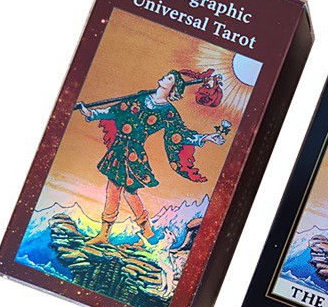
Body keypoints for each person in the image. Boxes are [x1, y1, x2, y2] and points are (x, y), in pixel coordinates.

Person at [78, 71, 225, 245]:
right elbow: (115, 111)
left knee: (124, 191)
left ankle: (112, 234)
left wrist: (206, 137)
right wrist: (91, 113)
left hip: (133, 153)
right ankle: (144, 233)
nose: (165, 77)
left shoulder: (168, 112)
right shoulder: (141, 97)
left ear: (173, 88)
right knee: (122, 191)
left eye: (169, 78)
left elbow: (180, 134)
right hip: (119, 148)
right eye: (167, 75)